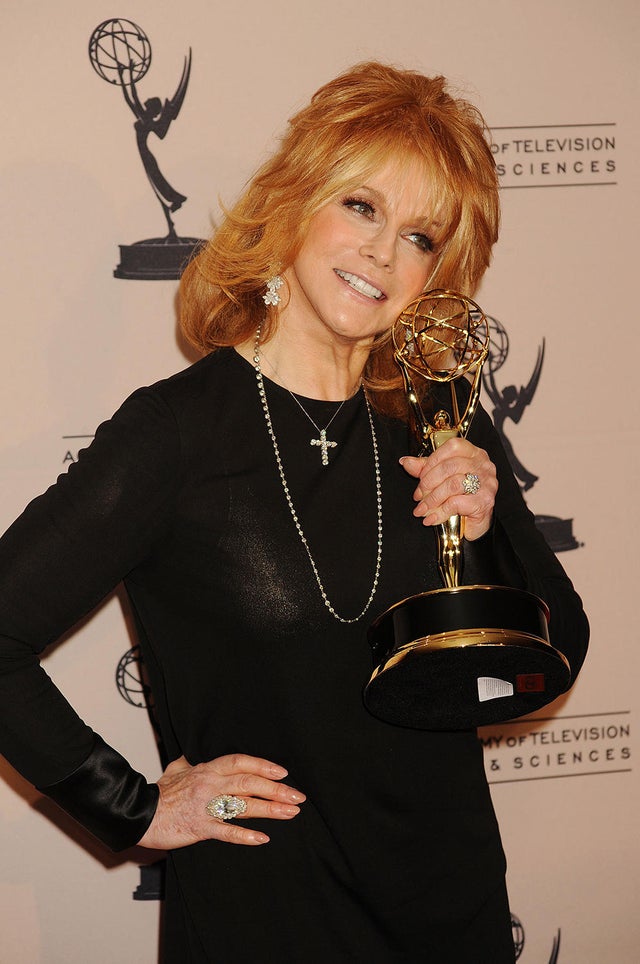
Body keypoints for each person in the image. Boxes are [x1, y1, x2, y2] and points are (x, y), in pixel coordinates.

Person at [0, 62, 588, 962]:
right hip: (266, 920)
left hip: (452, 914)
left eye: (421, 235)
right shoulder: (176, 433)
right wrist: (131, 806)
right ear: (295, 201)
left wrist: (489, 533)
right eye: (361, 207)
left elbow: (559, 649)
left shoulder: (441, 416)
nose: (384, 253)